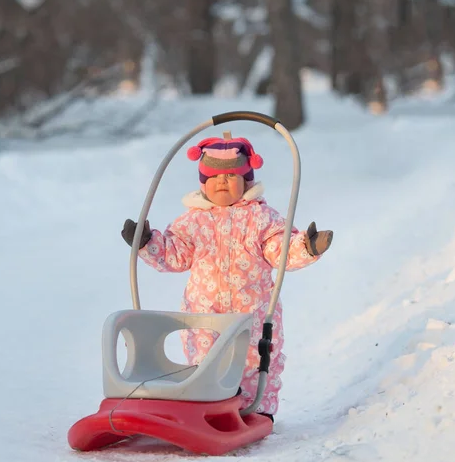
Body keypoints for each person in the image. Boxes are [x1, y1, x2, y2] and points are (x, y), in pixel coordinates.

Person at [121, 136, 333, 419]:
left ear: (246, 182)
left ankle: (258, 410)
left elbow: (278, 250)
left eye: (231, 175)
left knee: (254, 361)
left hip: (252, 312)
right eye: (215, 176)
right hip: (204, 313)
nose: (222, 181)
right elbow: (175, 254)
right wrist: (148, 242)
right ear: (203, 183)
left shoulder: (261, 218)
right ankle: (207, 407)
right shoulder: (192, 221)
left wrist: (306, 247)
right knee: (206, 362)